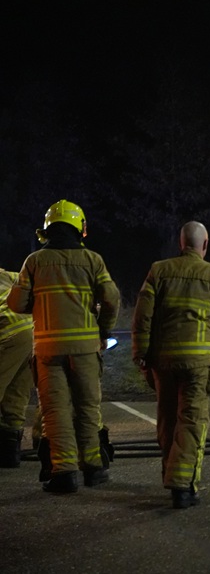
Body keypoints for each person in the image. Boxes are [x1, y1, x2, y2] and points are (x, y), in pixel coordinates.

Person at [7, 199, 121, 492]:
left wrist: (40, 302)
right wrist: (103, 330)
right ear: (80, 228)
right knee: (87, 407)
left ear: (47, 230)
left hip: (48, 349)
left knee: (55, 411)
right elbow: (112, 299)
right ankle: (94, 469)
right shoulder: (93, 260)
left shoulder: (34, 262)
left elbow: (16, 303)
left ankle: (65, 473)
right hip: (85, 348)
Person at [132, 221, 210, 509]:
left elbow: (142, 316)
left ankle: (172, 476)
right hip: (197, 365)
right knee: (191, 422)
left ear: (181, 243)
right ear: (204, 245)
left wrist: (141, 355)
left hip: (163, 363)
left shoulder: (159, 270)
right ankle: (181, 485)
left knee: (167, 420)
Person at [0, 267, 34, 467]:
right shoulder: (6, 274)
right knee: (16, 396)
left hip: (9, 334)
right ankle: (9, 456)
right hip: (34, 331)